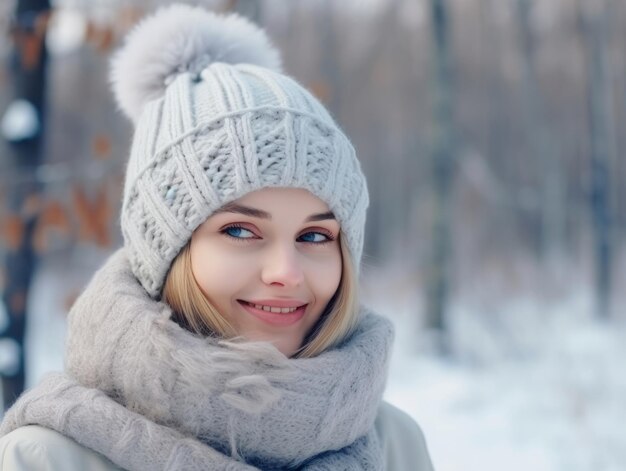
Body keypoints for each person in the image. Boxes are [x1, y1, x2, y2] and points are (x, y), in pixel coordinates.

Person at [0, 4, 433, 470]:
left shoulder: (393, 445)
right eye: (241, 230)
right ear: (164, 251)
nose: (285, 273)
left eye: (314, 236)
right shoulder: (49, 458)